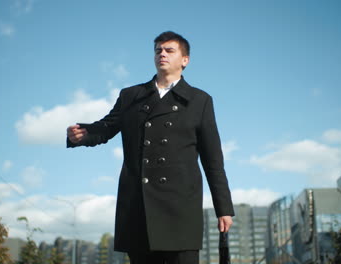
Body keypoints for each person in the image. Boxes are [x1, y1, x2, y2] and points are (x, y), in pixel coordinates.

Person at [67, 31, 234, 264]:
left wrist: (223, 208)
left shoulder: (200, 100)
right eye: (158, 50)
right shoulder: (131, 96)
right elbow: (106, 127)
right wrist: (82, 135)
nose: (162, 54)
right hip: (139, 208)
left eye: (169, 50)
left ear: (185, 60)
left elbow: (213, 159)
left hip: (180, 209)